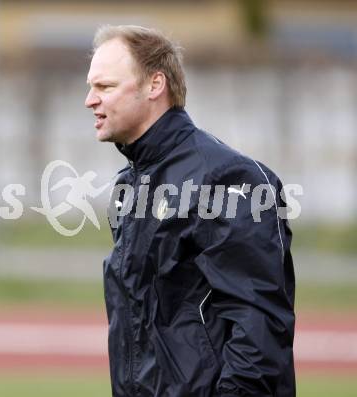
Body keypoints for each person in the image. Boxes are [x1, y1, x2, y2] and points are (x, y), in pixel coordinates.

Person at [85, 25, 295, 397]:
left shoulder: (229, 178)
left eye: (105, 87)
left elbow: (257, 325)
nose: (90, 100)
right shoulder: (128, 187)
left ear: (154, 85)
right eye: (91, 87)